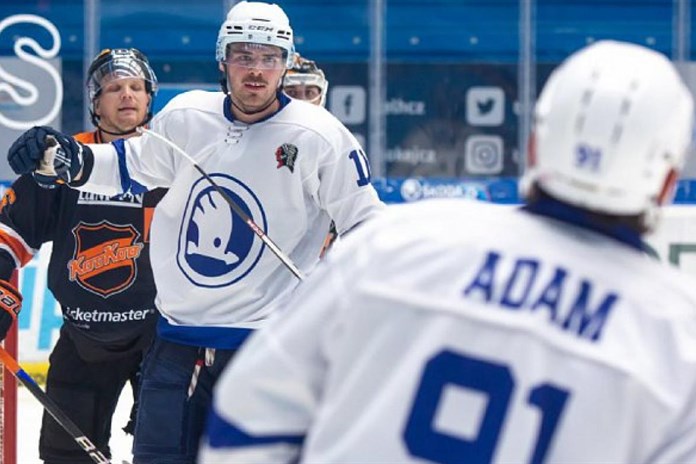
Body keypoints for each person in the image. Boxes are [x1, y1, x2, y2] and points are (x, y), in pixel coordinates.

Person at [197, 40, 696, 463]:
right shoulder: (677, 341)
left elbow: (248, 413)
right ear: (668, 182)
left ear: (535, 146)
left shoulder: (402, 243)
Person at [5, 2, 385, 463]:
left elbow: (368, 226)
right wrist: (60, 157)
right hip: (176, 343)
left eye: (269, 57)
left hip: (266, 348)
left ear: (285, 62)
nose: (256, 70)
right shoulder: (186, 116)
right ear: (223, 59)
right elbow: (129, 166)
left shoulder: (322, 136)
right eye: (244, 55)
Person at [0, 48, 163, 463]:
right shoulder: (63, 162)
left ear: (150, 98)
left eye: (136, 87)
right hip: (84, 338)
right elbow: (11, 232)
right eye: (114, 88)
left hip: (163, 340)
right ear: (95, 102)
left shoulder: (171, 161)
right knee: (64, 458)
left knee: (169, 453)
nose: (127, 95)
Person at [282, 53, 337, 256]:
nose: (302, 101)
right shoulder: (256, 136)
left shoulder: (334, 143)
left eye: (310, 92)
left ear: (322, 95)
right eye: (292, 92)